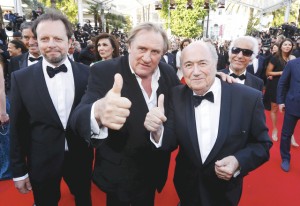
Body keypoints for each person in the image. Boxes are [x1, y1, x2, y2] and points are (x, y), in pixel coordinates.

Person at [144, 41, 272, 206]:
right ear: (182, 68)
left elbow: (262, 144)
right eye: (188, 65)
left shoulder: (248, 98)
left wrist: (238, 161)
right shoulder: (176, 95)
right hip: (186, 187)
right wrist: (157, 131)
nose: (196, 72)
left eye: (202, 63)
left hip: (225, 192)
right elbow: (170, 142)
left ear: (216, 63)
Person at [71, 22, 180, 206]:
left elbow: (185, 100)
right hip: (118, 174)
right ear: (129, 46)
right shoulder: (104, 71)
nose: (147, 58)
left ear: (163, 53)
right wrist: (98, 111)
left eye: (155, 52)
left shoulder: (168, 73)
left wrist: (219, 81)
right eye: (142, 48)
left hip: (153, 171)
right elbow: (77, 118)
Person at [10, 10, 93, 206]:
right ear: (36, 42)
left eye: (58, 38)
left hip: (80, 156)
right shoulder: (21, 79)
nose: (51, 44)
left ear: (69, 41)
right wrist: (19, 171)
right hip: (41, 159)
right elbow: (17, 128)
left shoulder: (88, 74)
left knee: (83, 199)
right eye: (45, 38)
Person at [265, 38, 298, 146]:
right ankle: (275, 129)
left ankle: (291, 135)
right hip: (276, 85)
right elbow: (268, 72)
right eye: (285, 44)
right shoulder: (275, 58)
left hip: (290, 87)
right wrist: (282, 73)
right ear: (281, 46)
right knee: (274, 108)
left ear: (292, 47)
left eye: (289, 45)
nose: (287, 46)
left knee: (289, 111)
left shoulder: (293, 58)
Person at [277, 57, 300, 172]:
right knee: (286, 134)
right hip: (293, 103)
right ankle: (285, 158)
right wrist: (280, 101)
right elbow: (282, 83)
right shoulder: (292, 64)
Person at [0, 55, 11, 180]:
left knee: (4, 139)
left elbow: (1, 91)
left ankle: (7, 171)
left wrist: (2, 112)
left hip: (1, 106)